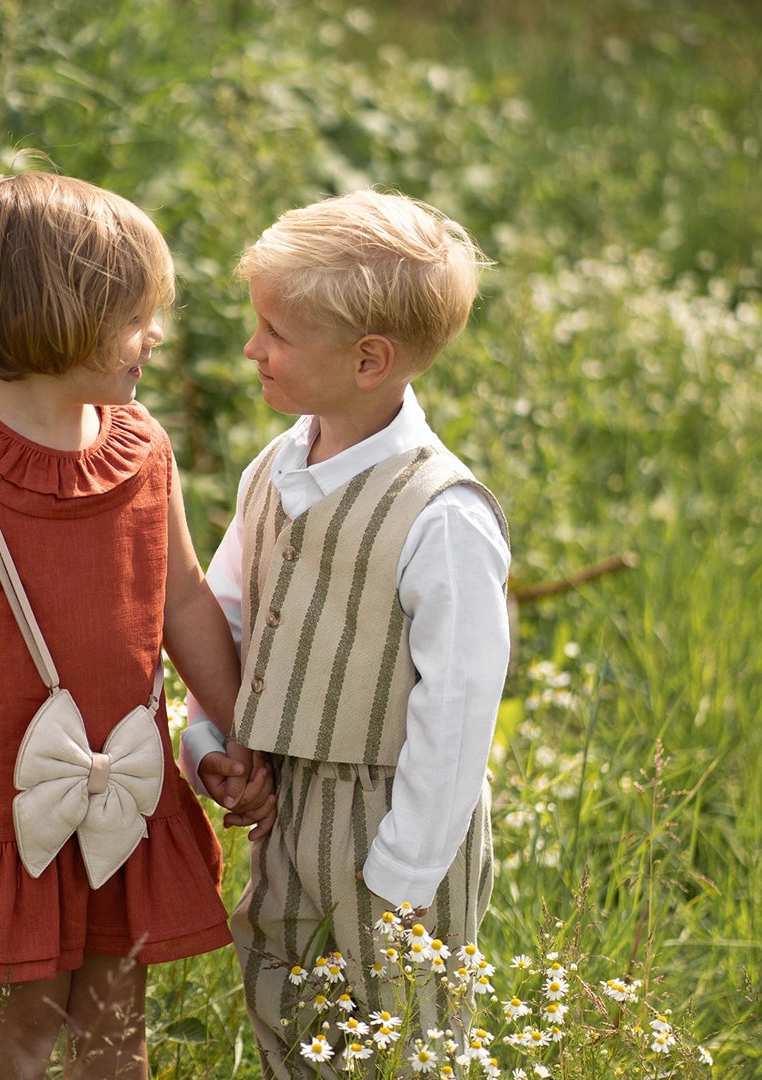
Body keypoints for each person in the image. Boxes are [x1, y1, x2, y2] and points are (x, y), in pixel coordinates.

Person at [0, 171, 273, 1080]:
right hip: (10, 804)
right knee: (24, 1028)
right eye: (135, 317)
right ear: (60, 318)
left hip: (123, 791)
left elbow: (183, 600)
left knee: (117, 1032)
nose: (154, 335)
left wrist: (241, 727)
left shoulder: (142, 447)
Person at [181, 189, 511, 1078]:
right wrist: (211, 739)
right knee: (284, 998)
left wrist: (406, 872)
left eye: (276, 332)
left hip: (392, 821)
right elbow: (230, 615)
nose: (252, 348)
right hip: (286, 805)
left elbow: (459, 707)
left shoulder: (442, 515)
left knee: (399, 1034)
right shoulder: (276, 467)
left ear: (369, 359)